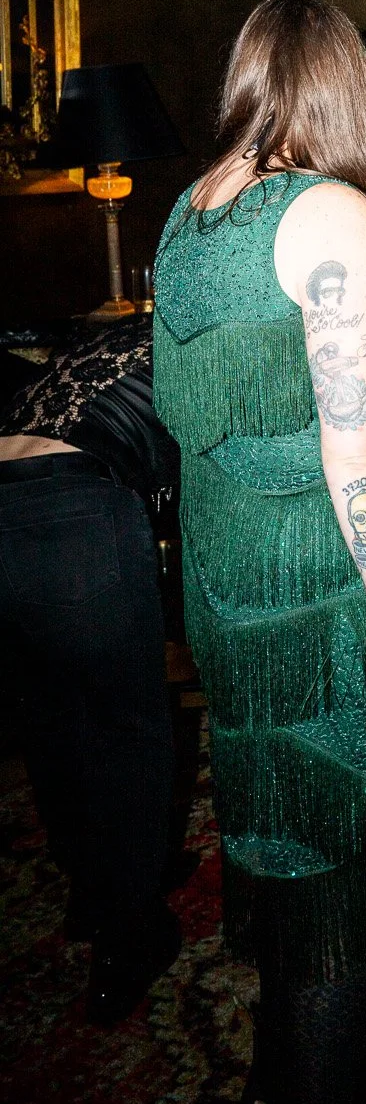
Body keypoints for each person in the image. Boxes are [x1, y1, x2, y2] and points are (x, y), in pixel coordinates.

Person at [153, 0, 366, 1104]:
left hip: (237, 584)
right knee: (337, 866)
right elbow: (360, 440)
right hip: (328, 592)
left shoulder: (195, 204)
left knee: (286, 835)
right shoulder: (329, 213)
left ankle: (291, 1079)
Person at [0, 317, 180, 1024]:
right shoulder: (203, 339)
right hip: (74, 504)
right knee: (127, 732)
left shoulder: (103, 343)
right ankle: (127, 940)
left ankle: (92, 894)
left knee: (54, 722)